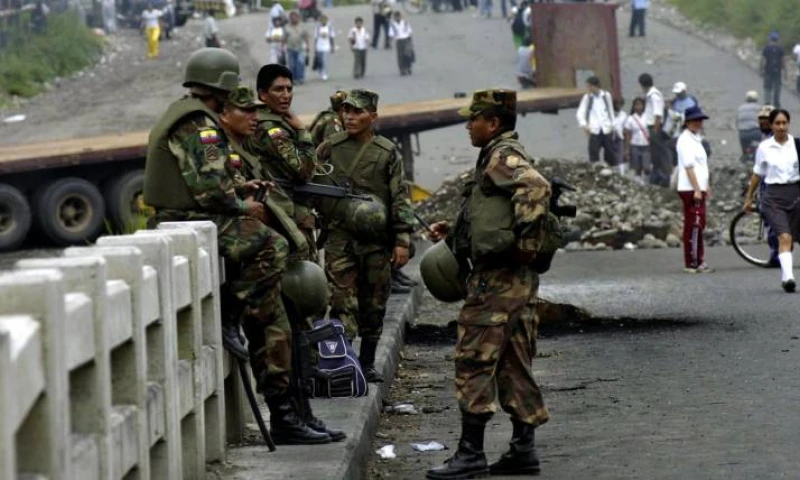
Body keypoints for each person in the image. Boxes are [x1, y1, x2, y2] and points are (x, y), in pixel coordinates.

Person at [143, 48, 332, 445]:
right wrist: (243, 202)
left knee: (279, 312)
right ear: (223, 88)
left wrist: (240, 188)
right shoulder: (201, 125)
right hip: (189, 220)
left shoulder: (185, 114)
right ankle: (237, 311)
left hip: (184, 217)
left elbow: (208, 182)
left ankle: (290, 411)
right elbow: (210, 190)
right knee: (270, 251)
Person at [425, 89, 550, 479]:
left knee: (473, 358)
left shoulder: (502, 155)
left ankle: (470, 454)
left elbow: (536, 187)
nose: (467, 125)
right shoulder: (496, 155)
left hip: (497, 281)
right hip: (513, 280)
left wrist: (527, 244)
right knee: (514, 361)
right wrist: (459, 230)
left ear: (492, 123)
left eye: (473, 118)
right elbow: (490, 210)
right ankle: (522, 449)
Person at [315, 89, 414, 383]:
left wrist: (402, 241)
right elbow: (311, 182)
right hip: (339, 239)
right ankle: (336, 363)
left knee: (374, 304)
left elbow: (400, 196)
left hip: (375, 242)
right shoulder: (329, 148)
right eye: (346, 111)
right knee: (341, 301)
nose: (350, 117)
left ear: (372, 116)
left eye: (357, 112)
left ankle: (367, 362)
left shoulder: (386, 152)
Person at [245, 64, 319, 262]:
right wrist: (303, 132)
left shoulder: (274, 122)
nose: (286, 95)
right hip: (283, 212)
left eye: (289, 89)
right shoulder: (272, 130)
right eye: (278, 89)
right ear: (262, 94)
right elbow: (305, 170)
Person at [744, 109, 800, 292]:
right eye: (777, 123)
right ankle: (788, 278)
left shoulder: (796, 145)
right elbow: (757, 174)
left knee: (793, 238)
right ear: (771, 125)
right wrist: (749, 197)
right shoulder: (764, 148)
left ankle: (786, 275)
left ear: (788, 124)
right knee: (784, 237)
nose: (781, 127)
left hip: (796, 195)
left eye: (784, 123)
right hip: (773, 198)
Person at [675, 106, 713, 274]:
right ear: (687, 122)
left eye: (700, 120)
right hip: (690, 188)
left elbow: (701, 166)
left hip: (698, 187)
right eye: (694, 120)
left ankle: (698, 260)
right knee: (694, 224)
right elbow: (689, 167)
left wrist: (706, 186)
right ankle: (693, 261)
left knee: (699, 223)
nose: (698, 123)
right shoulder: (685, 140)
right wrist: (697, 189)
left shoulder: (696, 139)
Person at [575, 76, 617, 165]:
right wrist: (584, 125)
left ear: (595, 86)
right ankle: (595, 170)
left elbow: (610, 111)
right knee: (593, 153)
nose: (588, 88)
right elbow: (580, 112)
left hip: (606, 128)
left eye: (589, 86)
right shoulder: (587, 98)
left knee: (610, 153)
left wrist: (613, 125)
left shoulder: (606, 96)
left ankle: (610, 170)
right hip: (594, 129)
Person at [639, 73, 670, 186]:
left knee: (661, 152)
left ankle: (665, 177)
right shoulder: (651, 95)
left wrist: (656, 130)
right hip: (652, 127)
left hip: (655, 127)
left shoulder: (654, 96)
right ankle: (656, 177)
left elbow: (658, 114)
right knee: (655, 153)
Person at [624, 97, 652, 184]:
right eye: (636, 105)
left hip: (646, 145)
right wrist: (627, 149)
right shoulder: (630, 119)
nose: (638, 107)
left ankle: (647, 182)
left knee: (647, 167)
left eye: (640, 104)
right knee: (637, 167)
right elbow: (627, 135)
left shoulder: (647, 116)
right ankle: (639, 184)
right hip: (635, 145)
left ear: (643, 106)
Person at [760, 32, 786, 109]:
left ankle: (767, 103)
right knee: (777, 88)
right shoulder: (781, 48)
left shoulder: (766, 48)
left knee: (767, 88)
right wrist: (785, 72)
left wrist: (761, 69)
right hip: (777, 71)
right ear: (777, 40)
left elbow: (763, 60)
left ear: (770, 39)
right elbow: (783, 61)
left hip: (768, 71)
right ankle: (776, 104)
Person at [285, 11, 310, 85]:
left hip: (300, 48)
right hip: (290, 48)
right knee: (292, 65)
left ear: (298, 18)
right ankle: (294, 79)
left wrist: (308, 46)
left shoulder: (302, 27)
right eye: (291, 17)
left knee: (300, 63)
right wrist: (282, 47)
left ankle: (300, 78)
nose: (293, 19)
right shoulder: (287, 27)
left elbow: (306, 37)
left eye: (294, 17)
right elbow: (284, 37)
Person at [736, 90, 761, 159]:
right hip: (756, 132)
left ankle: (745, 154)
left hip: (743, 134)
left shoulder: (740, 108)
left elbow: (737, 122)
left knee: (745, 150)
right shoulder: (759, 108)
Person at [389, 11, 414, 76]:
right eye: (396, 17)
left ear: (401, 16)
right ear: (394, 17)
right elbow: (391, 35)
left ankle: (408, 67)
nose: (398, 18)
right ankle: (402, 69)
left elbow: (410, 32)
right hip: (399, 41)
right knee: (400, 56)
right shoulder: (393, 25)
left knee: (407, 54)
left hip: (406, 40)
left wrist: (410, 42)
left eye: (399, 16)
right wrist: (390, 43)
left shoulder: (405, 23)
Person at [313, 14, 336, 81]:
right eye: (322, 20)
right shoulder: (317, 28)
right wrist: (315, 47)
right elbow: (316, 38)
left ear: (327, 20)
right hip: (319, 46)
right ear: (320, 21)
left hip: (327, 46)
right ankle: (321, 72)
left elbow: (332, 37)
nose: (323, 21)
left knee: (325, 61)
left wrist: (332, 46)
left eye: (325, 20)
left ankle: (325, 74)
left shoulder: (329, 27)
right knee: (320, 61)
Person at [612, 97, 627, 176]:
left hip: (620, 137)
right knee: (612, 156)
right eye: (617, 104)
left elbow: (625, 127)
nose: (619, 106)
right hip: (611, 138)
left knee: (620, 156)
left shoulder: (624, 115)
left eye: (620, 104)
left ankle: (622, 174)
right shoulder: (609, 114)